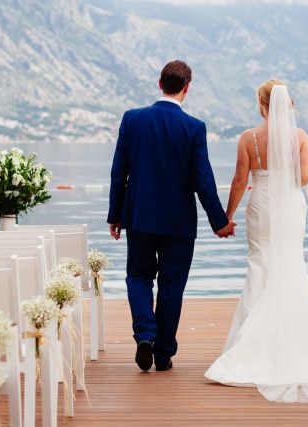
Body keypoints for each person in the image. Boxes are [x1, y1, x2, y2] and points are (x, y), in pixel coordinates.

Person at [204, 80, 308, 402]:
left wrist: (226, 216)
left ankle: (251, 345)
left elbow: (240, 179)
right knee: (291, 263)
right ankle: (290, 343)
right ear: (289, 104)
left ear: (262, 104)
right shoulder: (299, 137)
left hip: (261, 204)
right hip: (290, 206)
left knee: (260, 263)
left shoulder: (248, 138)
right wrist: (303, 158)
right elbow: (303, 178)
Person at [108, 59, 236, 372]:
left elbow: (119, 172)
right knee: (172, 285)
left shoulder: (132, 119)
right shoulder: (194, 127)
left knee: (138, 276)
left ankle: (145, 335)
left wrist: (115, 214)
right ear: (186, 88)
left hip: (139, 216)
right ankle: (163, 353)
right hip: (179, 221)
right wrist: (220, 222)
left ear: (159, 83)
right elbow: (203, 180)